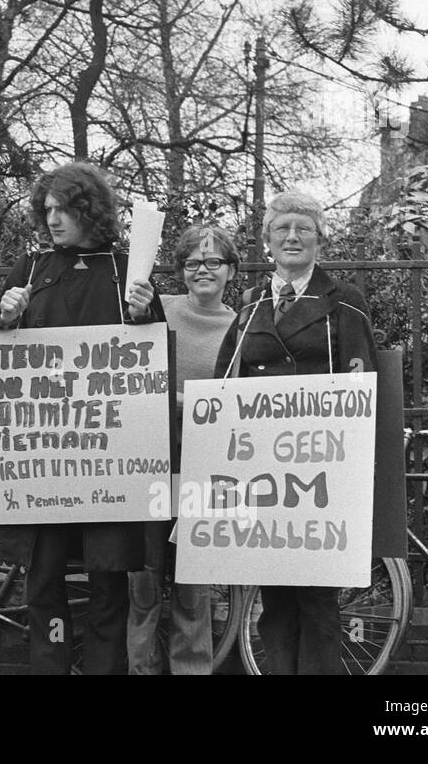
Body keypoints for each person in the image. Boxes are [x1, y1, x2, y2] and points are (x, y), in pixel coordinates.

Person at [0, 162, 165, 675]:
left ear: (88, 210)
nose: (53, 219)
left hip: (109, 464)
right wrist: (4, 316)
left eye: (63, 209)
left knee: (108, 583)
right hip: (46, 462)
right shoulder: (29, 269)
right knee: (43, 583)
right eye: (46, 209)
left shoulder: (124, 270)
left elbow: (150, 364)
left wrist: (142, 313)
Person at [213, 191, 377, 675]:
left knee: (318, 601)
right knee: (276, 603)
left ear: (319, 240)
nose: (291, 237)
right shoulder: (248, 304)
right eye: (281, 228)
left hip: (322, 474)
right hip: (265, 477)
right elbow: (226, 385)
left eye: (302, 229)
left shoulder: (343, 300)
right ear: (267, 241)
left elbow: (359, 385)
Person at [127, 223, 239, 675]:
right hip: (149, 460)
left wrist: (181, 401)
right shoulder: (160, 309)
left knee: (193, 583)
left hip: (201, 462)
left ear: (231, 270)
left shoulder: (242, 325)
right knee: (142, 580)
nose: (202, 270)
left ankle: (191, 669)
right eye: (192, 262)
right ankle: (140, 670)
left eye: (213, 261)